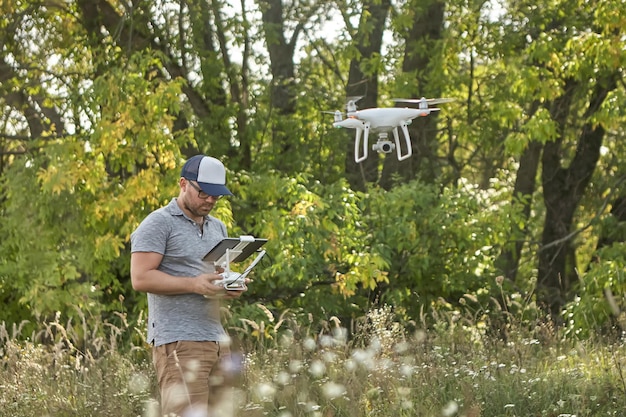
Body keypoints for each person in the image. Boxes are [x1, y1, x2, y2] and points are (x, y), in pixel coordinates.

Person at [130, 155, 244, 417]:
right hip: (179, 341)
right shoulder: (158, 223)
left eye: (217, 196)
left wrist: (229, 285)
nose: (210, 201)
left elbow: (214, 277)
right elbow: (140, 278)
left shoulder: (218, 227)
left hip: (216, 339)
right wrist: (194, 285)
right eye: (204, 193)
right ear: (183, 183)